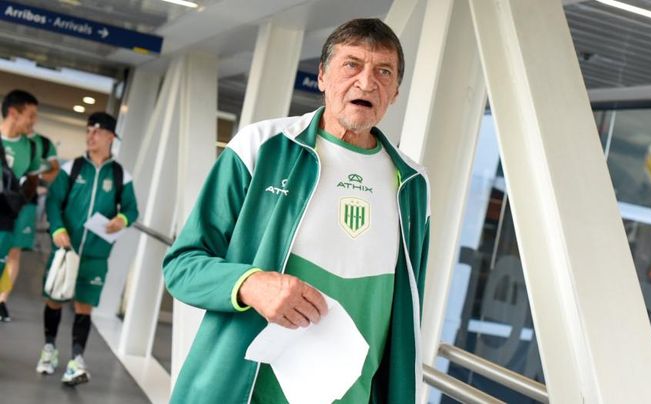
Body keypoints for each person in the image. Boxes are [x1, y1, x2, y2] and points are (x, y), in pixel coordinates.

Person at [163, 18, 430, 403]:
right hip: (244, 392)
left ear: (396, 92)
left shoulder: (413, 184)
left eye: (383, 71)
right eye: (352, 65)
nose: (367, 82)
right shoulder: (261, 147)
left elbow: (406, 314)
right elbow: (182, 265)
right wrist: (250, 284)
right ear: (322, 76)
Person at [36, 112, 139, 386]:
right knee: (54, 299)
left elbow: (132, 209)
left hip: (96, 255)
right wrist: (57, 229)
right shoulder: (72, 168)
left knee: (84, 307)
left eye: (97, 131)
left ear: (110, 137)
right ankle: (49, 348)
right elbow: (54, 202)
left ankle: (77, 360)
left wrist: (122, 219)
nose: (90, 136)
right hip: (65, 251)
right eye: (88, 130)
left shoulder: (121, 176)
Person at [0, 89, 42, 322]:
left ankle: (1, 300)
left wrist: (18, 203)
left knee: (9, 256)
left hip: (10, 214)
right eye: (31, 115)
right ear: (14, 113)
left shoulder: (32, 147)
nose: (33, 121)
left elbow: (33, 180)